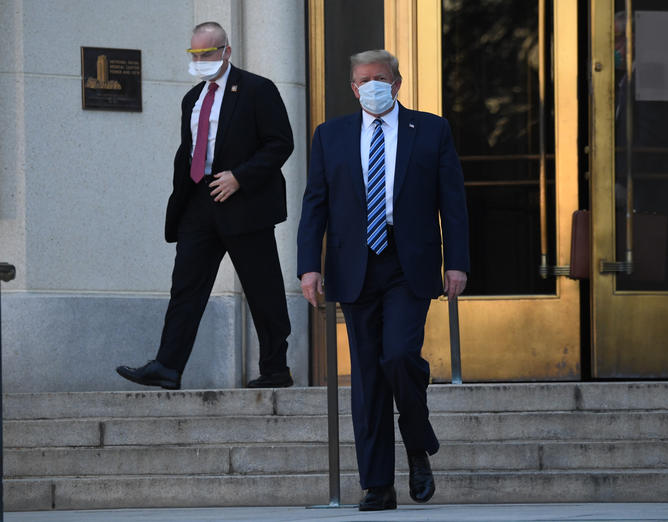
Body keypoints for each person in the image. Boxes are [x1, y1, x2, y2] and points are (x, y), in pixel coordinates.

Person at [297, 49, 470, 511]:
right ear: (353, 88)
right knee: (367, 376)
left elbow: (451, 203)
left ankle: (416, 444)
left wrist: (457, 262)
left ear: (397, 82)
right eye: (361, 79)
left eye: (379, 77)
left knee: (398, 356)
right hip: (353, 267)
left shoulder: (431, 129)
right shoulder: (330, 135)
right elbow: (315, 203)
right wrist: (308, 267)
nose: (370, 85)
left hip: (407, 262)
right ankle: (378, 484)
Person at [117, 22, 294, 390]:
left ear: (226, 51)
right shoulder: (192, 98)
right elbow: (190, 150)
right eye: (194, 54)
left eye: (208, 53)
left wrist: (240, 177)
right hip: (199, 203)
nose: (200, 60)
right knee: (186, 287)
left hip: (243, 202)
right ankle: (168, 366)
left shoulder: (257, 90)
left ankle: (276, 368)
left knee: (263, 290)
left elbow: (280, 143)